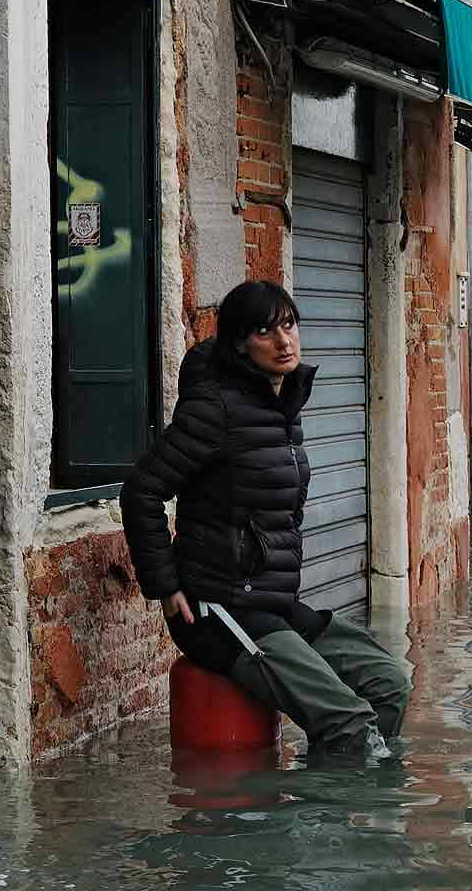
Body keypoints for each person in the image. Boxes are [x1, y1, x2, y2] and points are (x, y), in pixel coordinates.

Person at [121, 280, 411, 758]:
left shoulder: (283, 407)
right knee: (350, 725)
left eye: (289, 325)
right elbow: (142, 489)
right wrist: (165, 585)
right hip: (217, 610)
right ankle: (329, 816)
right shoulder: (215, 409)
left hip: (271, 603)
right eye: (264, 331)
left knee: (389, 683)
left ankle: (342, 812)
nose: (284, 342)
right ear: (238, 343)